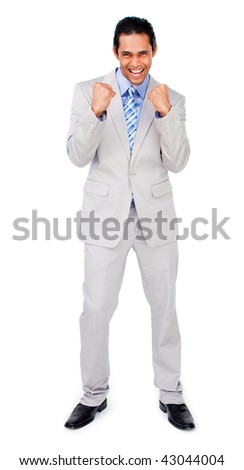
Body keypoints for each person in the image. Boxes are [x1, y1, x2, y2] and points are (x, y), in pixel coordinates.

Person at [65, 16, 195, 431]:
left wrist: (166, 114)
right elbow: (77, 155)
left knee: (164, 306)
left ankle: (171, 393)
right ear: (115, 52)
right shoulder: (87, 92)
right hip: (105, 217)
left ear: (153, 51)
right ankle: (93, 394)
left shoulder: (171, 97)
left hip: (155, 216)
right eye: (126, 53)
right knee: (96, 308)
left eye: (142, 53)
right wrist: (96, 113)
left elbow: (177, 162)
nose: (134, 62)